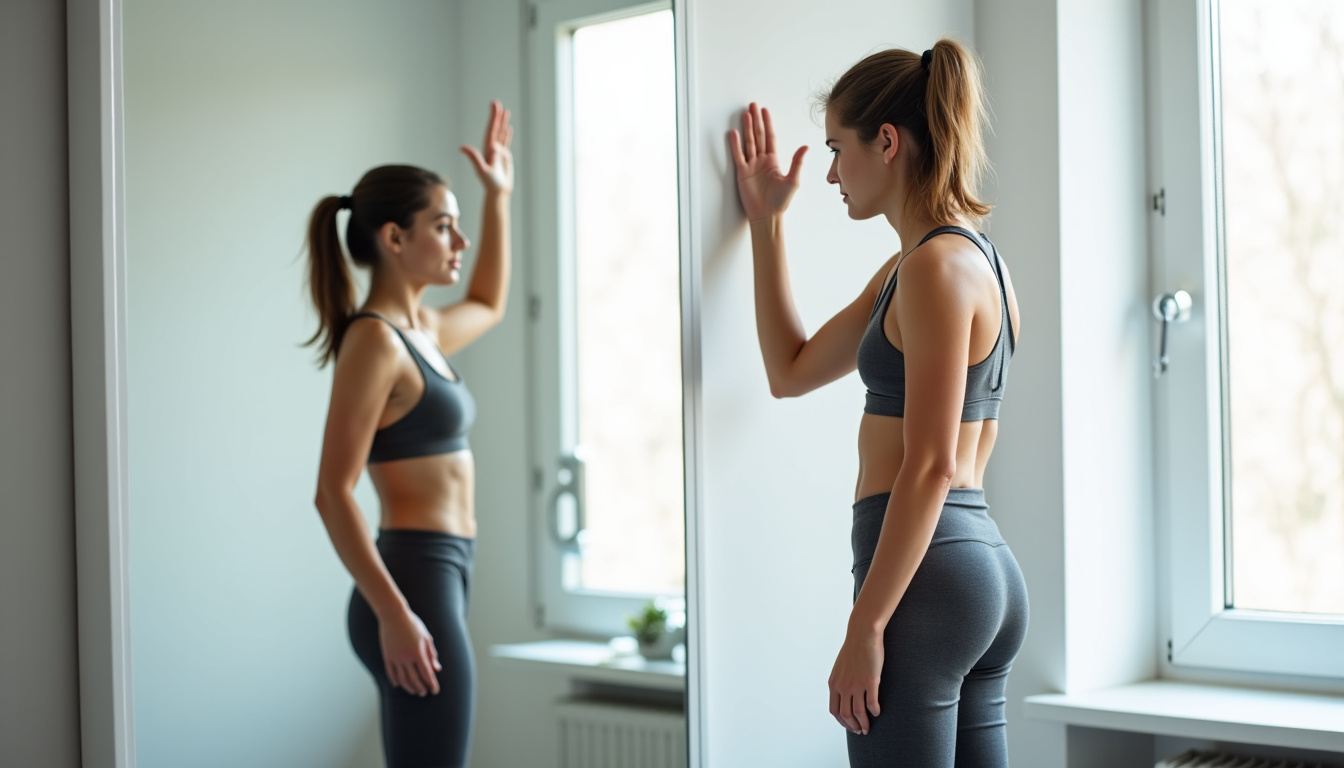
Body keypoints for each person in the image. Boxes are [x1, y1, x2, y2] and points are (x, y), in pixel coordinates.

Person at [729, 41, 1029, 767]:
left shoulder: (932, 270)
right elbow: (791, 370)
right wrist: (768, 224)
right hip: (978, 569)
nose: (830, 173)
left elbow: (927, 466)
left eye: (838, 149)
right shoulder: (945, 261)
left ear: (886, 142)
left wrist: (867, 626)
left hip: (925, 583)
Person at [306, 101, 513, 768]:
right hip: (411, 581)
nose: (461, 242)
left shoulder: (420, 332)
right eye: (444, 227)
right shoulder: (375, 342)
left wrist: (498, 197)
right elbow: (332, 493)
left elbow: (488, 303)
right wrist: (394, 614)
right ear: (394, 238)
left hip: (442, 574)